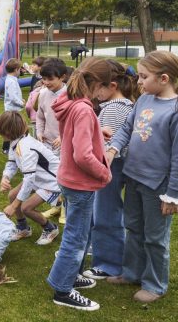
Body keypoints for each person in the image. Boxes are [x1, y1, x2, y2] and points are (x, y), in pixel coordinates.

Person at [106, 51, 178, 303]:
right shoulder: (143, 100)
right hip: (133, 177)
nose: (138, 81)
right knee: (133, 227)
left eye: (144, 76)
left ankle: (155, 284)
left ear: (165, 79)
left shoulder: (175, 111)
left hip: (158, 186)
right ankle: (132, 272)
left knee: (155, 238)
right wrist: (113, 147)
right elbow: (126, 128)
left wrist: (173, 196)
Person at [47, 57, 112, 311]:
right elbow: (83, 155)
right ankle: (63, 290)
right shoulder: (83, 109)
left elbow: (71, 135)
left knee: (78, 235)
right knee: (75, 239)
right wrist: (103, 174)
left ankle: (69, 276)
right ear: (97, 84)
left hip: (69, 178)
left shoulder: (71, 102)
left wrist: (97, 130)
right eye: (105, 87)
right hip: (81, 182)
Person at [80, 60, 137, 281]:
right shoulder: (124, 105)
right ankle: (103, 253)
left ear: (112, 86)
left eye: (97, 87)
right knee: (105, 212)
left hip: (110, 167)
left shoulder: (114, 108)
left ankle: (109, 264)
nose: (95, 93)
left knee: (106, 213)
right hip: (114, 166)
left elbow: (110, 145)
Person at [0, 111, 60, 245]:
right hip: (38, 179)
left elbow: (29, 179)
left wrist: (14, 206)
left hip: (53, 182)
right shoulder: (17, 141)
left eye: (0, 131)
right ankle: (23, 228)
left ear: (7, 131)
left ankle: (50, 228)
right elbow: (12, 163)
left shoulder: (26, 148)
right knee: (13, 195)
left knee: (26, 208)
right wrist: (5, 177)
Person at [36, 58, 67, 156]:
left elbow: (76, 124)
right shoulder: (42, 93)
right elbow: (40, 116)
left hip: (66, 145)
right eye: (44, 79)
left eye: (50, 79)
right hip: (47, 143)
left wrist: (64, 136)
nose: (46, 82)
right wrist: (39, 132)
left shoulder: (72, 95)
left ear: (62, 77)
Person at [2, 58, 23, 153]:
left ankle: (9, 147)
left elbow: (15, 95)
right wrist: (21, 103)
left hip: (13, 108)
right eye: (20, 69)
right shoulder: (11, 81)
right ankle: (7, 148)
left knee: (11, 129)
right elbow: (12, 97)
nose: (20, 71)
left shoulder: (12, 79)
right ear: (16, 70)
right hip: (12, 110)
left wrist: (20, 99)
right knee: (11, 130)